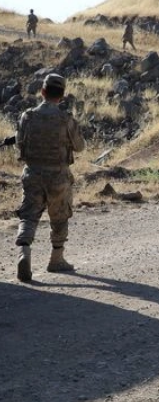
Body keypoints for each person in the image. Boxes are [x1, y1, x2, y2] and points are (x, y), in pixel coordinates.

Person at [14, 74, 86, 282]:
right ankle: (56, 259)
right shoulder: (66, 119)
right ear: (62, 96)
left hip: (33, 173)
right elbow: (80, 147)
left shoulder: (27, 116)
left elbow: (20, 142)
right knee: (60, 216)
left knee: (28, 215)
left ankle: (24, 251)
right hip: (58, 176)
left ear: (42, 92)